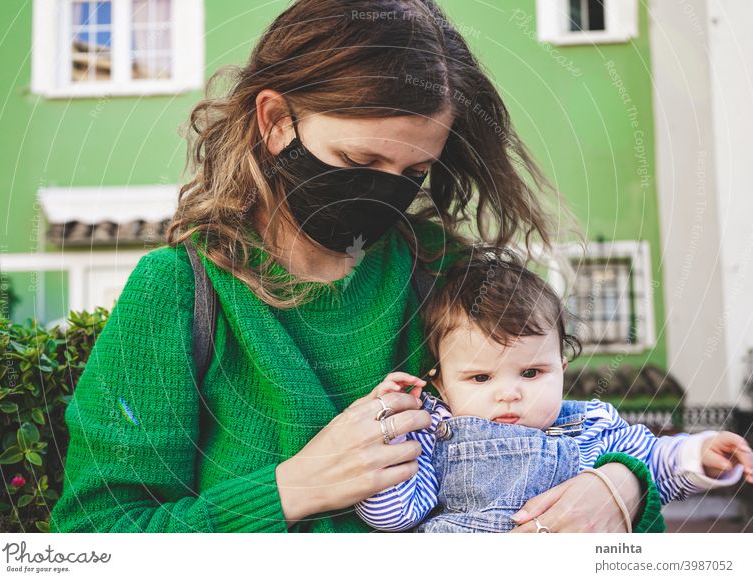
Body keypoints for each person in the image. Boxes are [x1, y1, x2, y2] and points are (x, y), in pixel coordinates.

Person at [49, 0, 665, 533]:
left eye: (413, 173)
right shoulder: (180, 295)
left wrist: (622, 487)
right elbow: (97, 533)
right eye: (357, 157)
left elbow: (561, 432)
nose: (384, 194)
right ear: (275, 122)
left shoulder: (448, 276)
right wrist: (293, 488)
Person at [354, 247, 753, 532]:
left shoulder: (591, 425)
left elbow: (654, 466)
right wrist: (387, 428)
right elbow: (394, 515)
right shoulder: (432, 434)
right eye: (480, 378)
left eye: (531, 372)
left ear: (562, 370)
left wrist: (699, 455)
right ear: (440, 384)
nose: (509, 393)